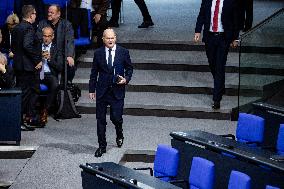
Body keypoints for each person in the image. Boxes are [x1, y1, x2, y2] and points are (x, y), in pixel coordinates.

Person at [89, 28, 133, 157]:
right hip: (102, 91)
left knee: (116, 118)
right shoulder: (98, 53)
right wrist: (92, 89)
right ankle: (102, 146)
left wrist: (126, 79)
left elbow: (129, 68)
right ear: (103, 39)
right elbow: (93, 73)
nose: (110, 40)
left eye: (112, 38)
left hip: (117, 91)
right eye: (107, 38)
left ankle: (119, 132)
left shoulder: (123, 52)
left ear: (115, 38)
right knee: (100, 120)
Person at [194, 0, 240, 110]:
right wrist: (197, 31)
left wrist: (235, 38)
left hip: (223, 38)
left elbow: (236, 20)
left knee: (220, 67)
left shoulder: (231, 2)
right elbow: (201, 15)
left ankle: (216, 99)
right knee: (212, 65)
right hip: (209, 37)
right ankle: (220, 86)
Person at [11, 5, 42, 130]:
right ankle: (19, 122)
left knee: (21, 94)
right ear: (31, 15)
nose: (36, 15)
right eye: (35, 13)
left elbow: (14, 47)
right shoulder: (29, 28)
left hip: (18, 65)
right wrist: (37, 60)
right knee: (25, 95)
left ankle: (22, 120)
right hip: (27, 67)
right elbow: (27, 46)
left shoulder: (16, 28)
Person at [37, 4, 75, 83]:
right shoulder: (42, 23)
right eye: (48, 12)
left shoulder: (66, 24)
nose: (49, 14)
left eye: (52, 12)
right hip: (47, 52)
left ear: (58, 14)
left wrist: (69, 55)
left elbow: (69, 41)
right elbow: (38, 39)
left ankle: (65, 84)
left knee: (70, 65)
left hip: (61, 53)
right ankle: (45, 80)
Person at [39, 27, 63, 125]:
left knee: (55, 84)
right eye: (45, 36)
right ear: (42, 36)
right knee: (29, 83)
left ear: (52, 37)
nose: (46, 38)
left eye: (49, 36)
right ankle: (29, 112)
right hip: (38, 73)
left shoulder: (57, 49)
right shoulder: (36, 47)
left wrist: (50, 59)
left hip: (49, 74)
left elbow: (60, 67)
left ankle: (45, 109)